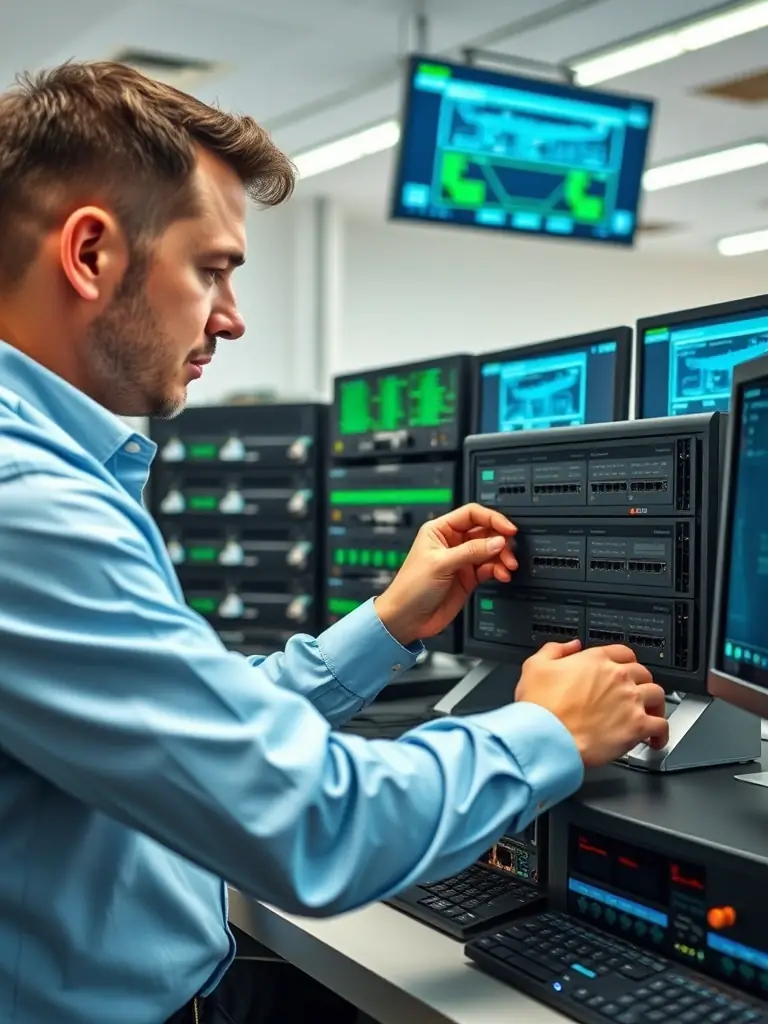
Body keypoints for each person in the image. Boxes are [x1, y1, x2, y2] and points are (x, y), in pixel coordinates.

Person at [0, 61, 669, 1024]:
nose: (231, 318)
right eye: (213, 270)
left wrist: (387, 622)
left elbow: (196, 730)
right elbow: (312, 823)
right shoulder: (33, 506)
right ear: (92, 253)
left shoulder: (55, 473)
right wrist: (549, 734)